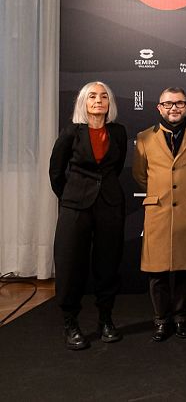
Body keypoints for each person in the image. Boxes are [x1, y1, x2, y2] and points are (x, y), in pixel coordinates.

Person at [50, 81, 128, 350]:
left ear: (110, 103)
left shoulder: (118, 132)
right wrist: (71, 196)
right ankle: (70, 323)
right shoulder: (71, 132)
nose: (98, 100)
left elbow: (116, 168)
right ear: (83, 102)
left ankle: (105, 320)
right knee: (71, 263)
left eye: (104, 96)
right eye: (92, 96)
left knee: (108, 263)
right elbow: (56, 173)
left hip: (109, 204)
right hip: (75, 207)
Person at [133, 87, 186, 342]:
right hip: (157, 211)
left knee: (185, 271)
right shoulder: (144, 138)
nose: (173, 108)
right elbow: (140, 175)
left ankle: (181, 318)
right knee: (158, 272)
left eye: (179, 103)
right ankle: (161, 320)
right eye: (168, 104)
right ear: (159, 107)